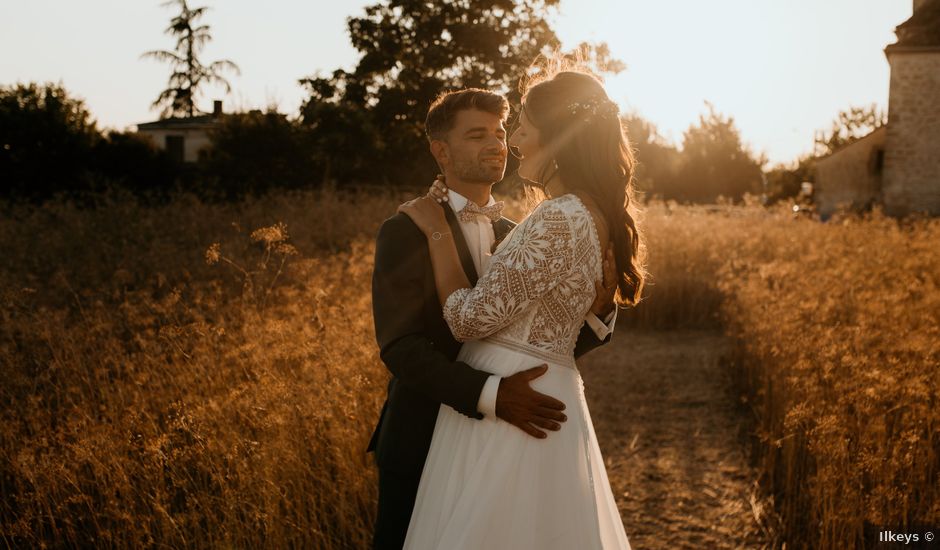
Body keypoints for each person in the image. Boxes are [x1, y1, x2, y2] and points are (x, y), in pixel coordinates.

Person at [395, 69, 645, 549]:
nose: (514, 144)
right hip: (545, 391)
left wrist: (438, 233)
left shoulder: (556, 216)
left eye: (522, 128)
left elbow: (468, 318)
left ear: (557, 137)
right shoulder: (592, 215)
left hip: (515, 404)